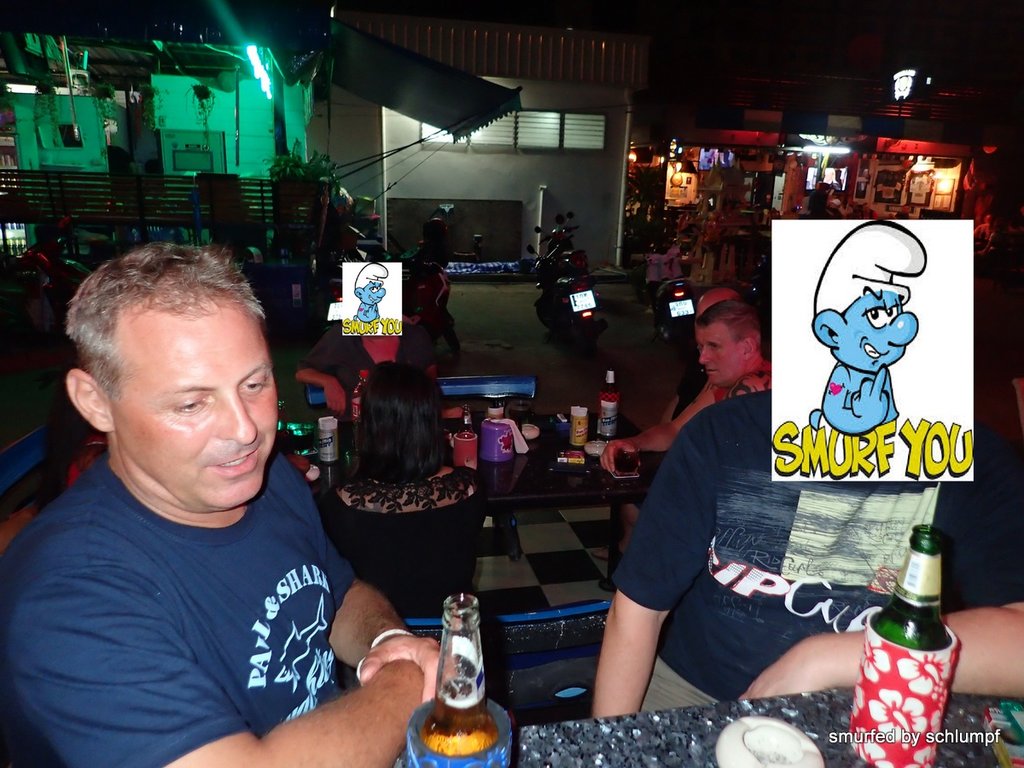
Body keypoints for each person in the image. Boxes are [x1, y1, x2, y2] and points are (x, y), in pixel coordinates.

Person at [0, 243, 439, 767]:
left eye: (255, 383)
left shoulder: (270, 479)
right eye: (191, 403)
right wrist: (407, 681)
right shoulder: (70, 596)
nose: (245, 430)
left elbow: (336, 592)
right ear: (96, 403)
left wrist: (389, 640)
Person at [592, 391, 1024, 717]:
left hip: (876, 702)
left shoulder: (973, 455)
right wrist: (607, 747)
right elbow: (637, 612)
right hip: (694, 691)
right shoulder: (722, 432)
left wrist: (827, 658)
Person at [599, 297, 770, 554]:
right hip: (721, 502)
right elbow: (674, 429)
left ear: (746, 347)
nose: (702, 358)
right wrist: (633, 442)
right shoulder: (723, 381)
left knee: (643, 505)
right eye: (701, 347)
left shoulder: (752, 388)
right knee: (634, 503)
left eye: (713, 346)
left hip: (748, 522)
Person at [319, 362, 485, 617]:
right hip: (452, 630)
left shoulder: (340, 504)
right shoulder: (468, 487)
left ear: (371, 427)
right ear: (432, 423)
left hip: (378, 635)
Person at [296, 319, 436, 418]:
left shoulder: (414, 336)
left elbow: (430, 379)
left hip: (409, 428)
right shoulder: (340, 336)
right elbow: (302, 371)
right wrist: (328, 381)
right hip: (354, 429)